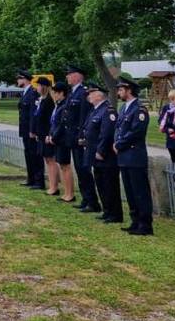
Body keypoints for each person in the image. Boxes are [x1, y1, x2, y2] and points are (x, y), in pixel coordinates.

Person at [113, 77, 153, 235]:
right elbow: (118, 128)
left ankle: (145, 224)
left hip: (134, 155)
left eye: (121, 89)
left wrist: (120, 143)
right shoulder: (124, 108)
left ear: (129, 90)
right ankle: (135, 220)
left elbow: (136, 132)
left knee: (140, 192)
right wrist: (116, 142)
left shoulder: (139, 109)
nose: (118, 92)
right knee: (130, 191)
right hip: (124, 156)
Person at [82, 83, 123, 223]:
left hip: (106, 156)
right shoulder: (95, 110)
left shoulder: (108, 111)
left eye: (91, 94)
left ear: (99, 95)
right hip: (95, 154)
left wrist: (101, 150)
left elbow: (107, 134)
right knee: (100, 183)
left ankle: (115, 214)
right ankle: (107, 210)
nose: (89, 96)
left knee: (109, 184)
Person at [66, 65, 99, 212]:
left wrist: (81, 137)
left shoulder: (83, 92)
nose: (67, 77)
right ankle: (86, 199)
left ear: (78, 76)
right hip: (72, 137)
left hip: (79, 138)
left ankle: (92, 201)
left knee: (84, 170)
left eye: (70, 74)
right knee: (79, 170)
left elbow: (83, 117)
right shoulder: (72, 93)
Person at [46, 81, 77, 202]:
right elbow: (53, 122)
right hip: (56, 138)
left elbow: (62, 124)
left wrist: (54, 137)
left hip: (63, 139)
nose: (53, 95)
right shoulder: (58, 105)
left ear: (61, 93)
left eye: (55, 93)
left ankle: (70, 193)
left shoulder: (65, 106)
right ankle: (66, 192)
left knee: (65, 166)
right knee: (62, 165)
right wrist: (50, 135)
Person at [16, 70, 43, 189]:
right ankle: (31, 178)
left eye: (19, 78)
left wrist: (33, 130)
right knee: (28, 154)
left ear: (26, 79)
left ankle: (39, 181)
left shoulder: (33, 93)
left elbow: (33, 114)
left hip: (30, 131)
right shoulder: (25, 93)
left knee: (35, 155)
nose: (17, 80)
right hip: (25, 129)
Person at [31, 76, 57, 194]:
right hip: (41, 134)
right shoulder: (41, 100)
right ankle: (51, 186)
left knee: (51, 160)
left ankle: (54, 187)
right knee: (47, 160)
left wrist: (48, 134)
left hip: (46, 135)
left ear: (44, 87)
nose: (37, 87)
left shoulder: (48, 102)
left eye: (39, 85)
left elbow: (49, 120)